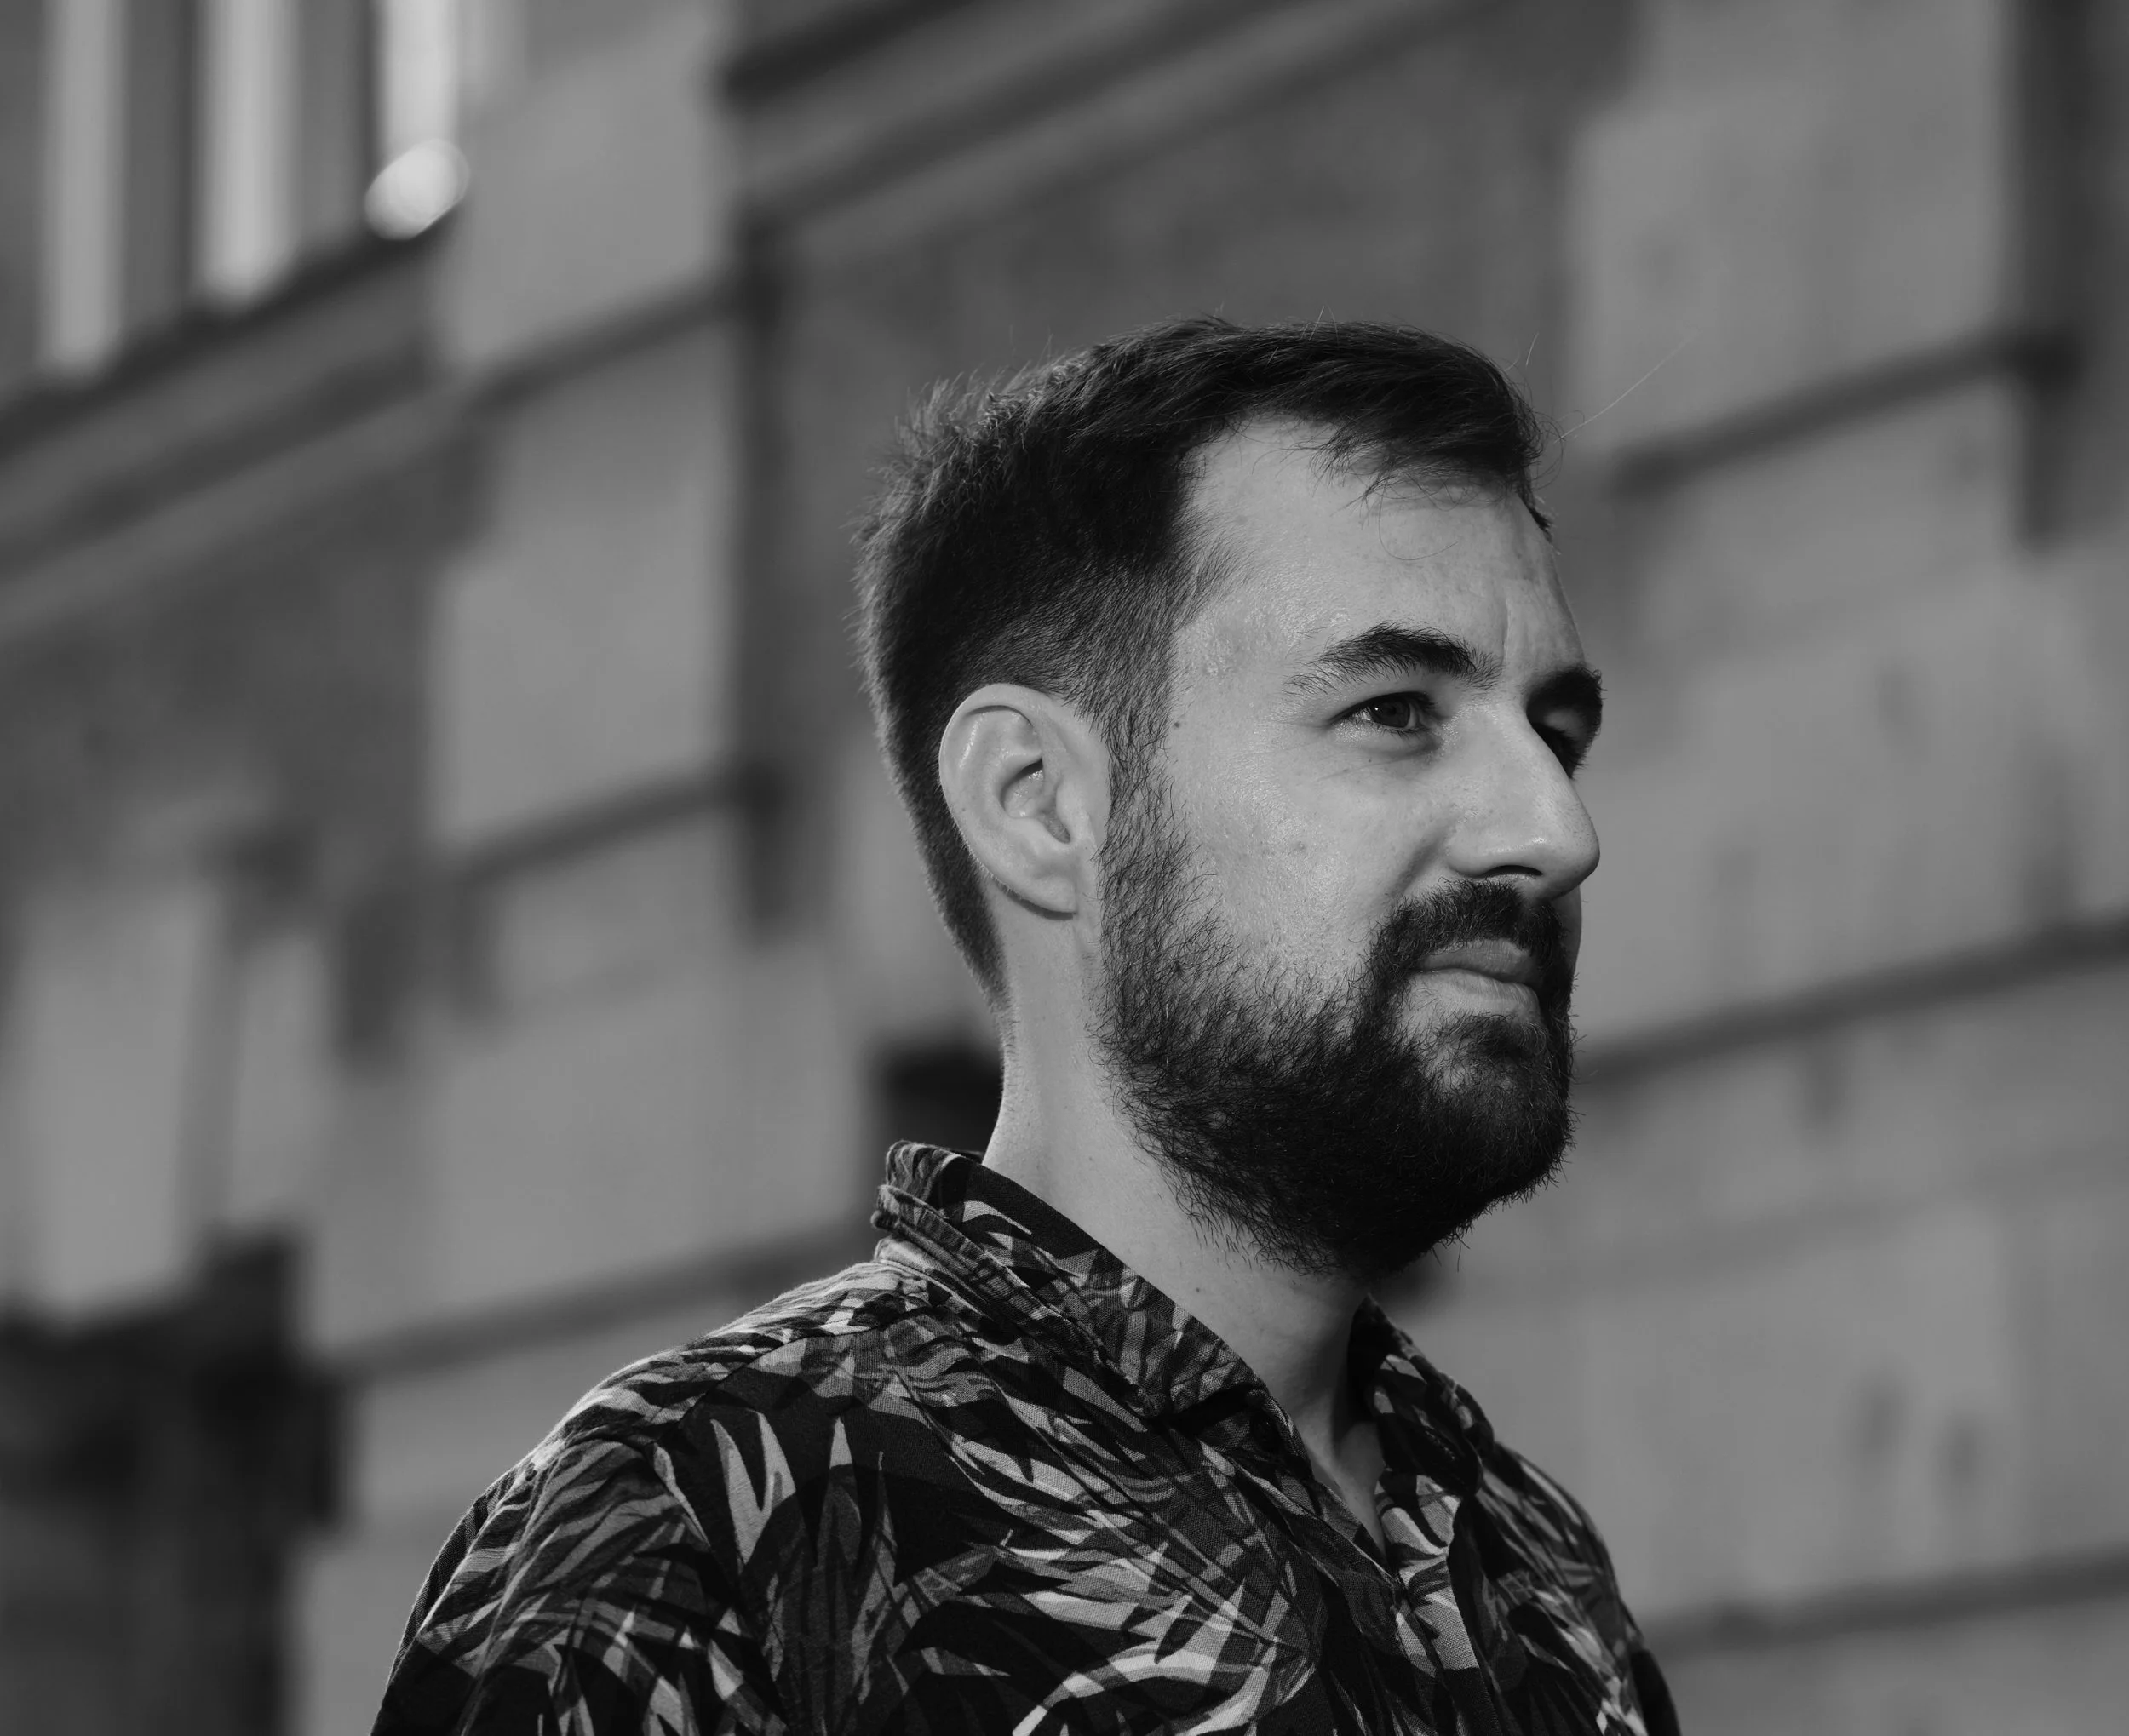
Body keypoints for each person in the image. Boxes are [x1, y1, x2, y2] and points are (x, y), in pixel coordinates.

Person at [372, 318, 1680, 1735]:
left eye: (1556, 732)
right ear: (1038, 804)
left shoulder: (1538, 1572)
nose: (1557, 829)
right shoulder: (693, 1542)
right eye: (1394, 710)